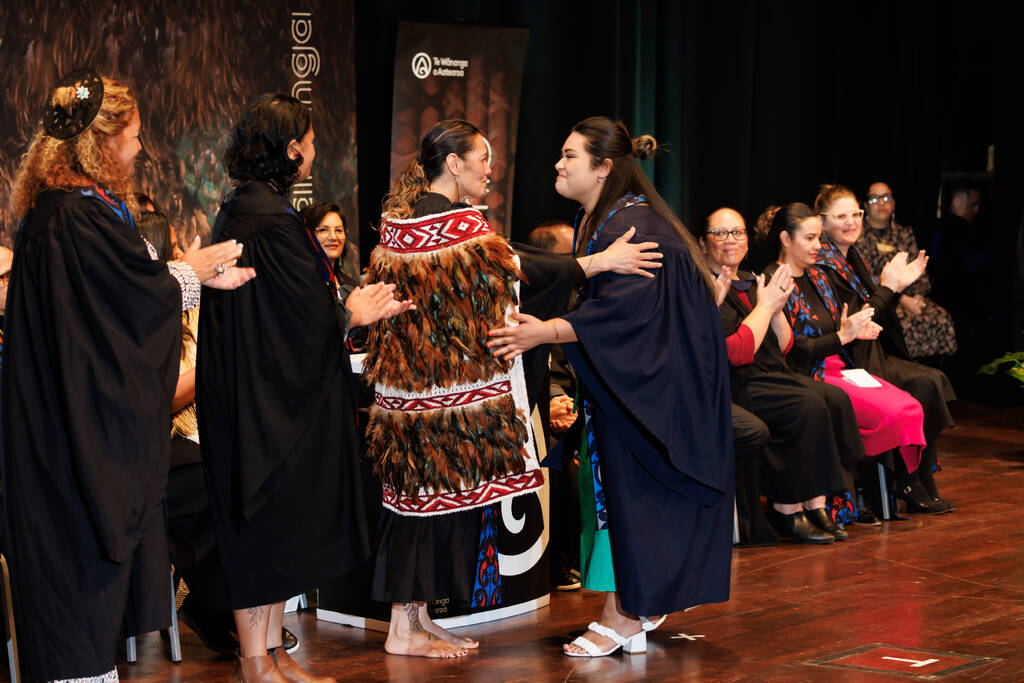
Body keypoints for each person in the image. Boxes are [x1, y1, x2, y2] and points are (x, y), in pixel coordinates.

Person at [362, 119, 663, 659]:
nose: (489, 168)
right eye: (482, 158)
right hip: (437, 405)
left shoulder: (409, 220)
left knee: (428, 507)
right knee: (424, 512)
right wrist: (602, 262)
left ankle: (419, 621)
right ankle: (403, 630)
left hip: (414, 398)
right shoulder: (452, 226)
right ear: (453, 164)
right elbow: (521, 268)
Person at [2, 70, 254, 683]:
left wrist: (187, 278)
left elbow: (122, 296)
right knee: (74, 626)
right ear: (100, 142)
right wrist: (188, 273)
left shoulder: (66, 216)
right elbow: (124, 310)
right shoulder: (72, 222)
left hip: (62, 444)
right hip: (66, 458)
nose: (142, 149)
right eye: (135, 136)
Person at [488, 116, 734, 657]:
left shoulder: (636, 228)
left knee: (635, 499)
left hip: (654, 392)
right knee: (621, 499)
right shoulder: (607, 220)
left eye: (570, 156)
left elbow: (628, 316)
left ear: (603, 168)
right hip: (634, 387)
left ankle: (629, 611)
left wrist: (546, 331)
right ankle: (631, 605)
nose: (558, 163)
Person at [197, 93, 412, 682]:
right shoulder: (268, 220)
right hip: (260, 406)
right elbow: (300, 318)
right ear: (291, 150)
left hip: (260, 399)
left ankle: (270, 651)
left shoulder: (248, 210)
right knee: (259, 524)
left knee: (277, 525)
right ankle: (253, 660)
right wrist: (351, 314)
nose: (315, 151)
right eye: (311, 142)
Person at [703, 207, 863, 543]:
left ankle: (816, 501)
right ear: (704, 243)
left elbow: (787, 344)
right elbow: (737, 353)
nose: (730, 240)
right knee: (806, 403)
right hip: (733, 383)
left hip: (770, 373)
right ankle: (787, 506)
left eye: (737, 232)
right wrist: (764, 307)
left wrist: (776, 307)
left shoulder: (751, 280)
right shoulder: (703, 286)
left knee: (831, 397)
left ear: (748, 240)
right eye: (720, 233)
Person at [814, 185, 956, 513]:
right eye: (841, 217)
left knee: (935, 378)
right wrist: (890, 287)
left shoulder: (851, 255)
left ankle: (920, 475)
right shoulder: (824, 262)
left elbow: (876, 310)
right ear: (822, 221)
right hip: (849, 359)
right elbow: (858, 318)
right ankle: (909, 479)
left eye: (855, 215)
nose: (851, 222)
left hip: (869, 351)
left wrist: (897, 286)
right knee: (925, 382)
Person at [854, 182, 957, 360]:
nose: (882, 203)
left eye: (886, 197)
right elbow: (865, 278)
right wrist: (900, 299)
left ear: (893, 203)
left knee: (942, 319)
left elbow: (919, 271)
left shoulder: (904, 234)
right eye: (875, 199)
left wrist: (917, 298)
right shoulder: (857, 235)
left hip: (911, 298)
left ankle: (932, 376)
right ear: (865, 205)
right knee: (901, 325)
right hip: (880, 300)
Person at [301, 201, 361, 290]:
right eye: (323, 230)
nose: (333, 237)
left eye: (338, 230)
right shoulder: (299, 284)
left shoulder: (353, 286)